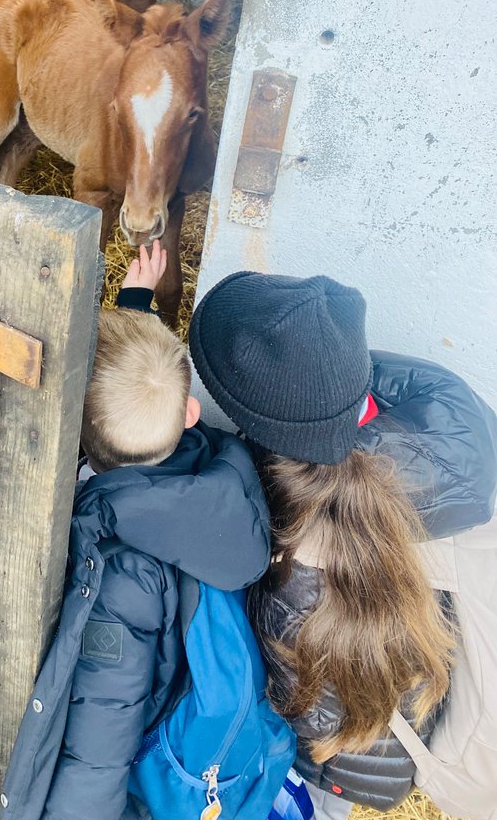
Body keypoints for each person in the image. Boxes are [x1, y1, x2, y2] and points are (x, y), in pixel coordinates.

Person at [179, 270, 497, 819]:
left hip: (463, 764)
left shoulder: (300, 573)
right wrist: (318, 372)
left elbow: (345, 749)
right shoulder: (454, 417)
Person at [0, 248, 272, 820]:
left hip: (143, 747)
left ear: (69, 420)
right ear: (191, 413)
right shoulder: (214, 473)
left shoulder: (122, 576)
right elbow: (139, 394)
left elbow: (95, 752)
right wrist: (134, 307)